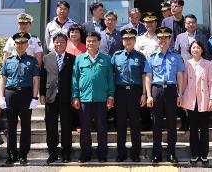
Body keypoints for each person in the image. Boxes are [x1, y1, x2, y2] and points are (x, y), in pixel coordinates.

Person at [72, 32, 115, 163]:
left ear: (99, 42)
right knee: (84, 129)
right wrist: (75, 96)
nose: (90, 43)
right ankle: (85, 153)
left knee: (102, 128)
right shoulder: (79, 59)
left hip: (101, 99)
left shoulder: (106, 59)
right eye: (88, 41)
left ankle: (102, 154)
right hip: (84, 99)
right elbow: (75, 78)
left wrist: (111, 96)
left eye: (93, 41)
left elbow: (110, 79)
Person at [144, 27, 185, 164]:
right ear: (157, 40)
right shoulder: (152, 57)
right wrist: (149, 95)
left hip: (171, 90)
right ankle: (156, 154)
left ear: (169, 39)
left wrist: (180, 94)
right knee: (156, 124)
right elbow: (148, 77)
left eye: (165, 38)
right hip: (157, 90)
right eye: (160, 38)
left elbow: (180, 76)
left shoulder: (176, 56)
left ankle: (171, 154)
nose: (163, 40)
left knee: (172, 124)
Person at [0, 32, 40, 165]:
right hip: (10, 94)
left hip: (26, 95)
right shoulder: (8, 61)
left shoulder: (32, 61)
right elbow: (3, 80)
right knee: (11, 126)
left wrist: (34, 97)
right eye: (18, 43)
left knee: (26, 126)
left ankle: (23, 154)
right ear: (14, 45)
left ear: (27, 45)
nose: (20, 45)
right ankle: (11, 154)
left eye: (23, 43)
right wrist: (1, 97)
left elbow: (35, 80)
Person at [111, 28, 147, 162]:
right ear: (122, 41)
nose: (128, 41)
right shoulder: (116, 55)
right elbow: (111, 75)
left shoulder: (140, 56)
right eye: (126, 39)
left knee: (135, 124)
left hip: (135, 92)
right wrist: (111, 94)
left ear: (135, 40)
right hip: (120, 92)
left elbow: (145, 76)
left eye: (131, 39)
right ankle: (121, 153)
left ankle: (135, 154)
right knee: (120, 124)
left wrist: (144, 94)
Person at [39, 32, 75, 163]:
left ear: (67, 44)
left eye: (62, 42)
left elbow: (74, 79)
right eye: (57, 42)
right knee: (51, 127)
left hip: (66, 97)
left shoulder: (72, 58)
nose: (59, 44)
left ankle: (66, 154)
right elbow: (43, 78)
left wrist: (74, 96)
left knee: (66, 126)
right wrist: (42, 94)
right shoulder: (46, 58)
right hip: (50, 97)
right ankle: (52, 153)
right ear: (53, 43)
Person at [181, 40, 212, 165]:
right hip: (191, 100)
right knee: (193, 129)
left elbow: (211, 82)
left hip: (204, 100)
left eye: (198, 48)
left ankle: (204, 155)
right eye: (193, 47)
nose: (195, 49)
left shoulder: (208, 64)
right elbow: (183, 83)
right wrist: (181, 96)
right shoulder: (186, 64)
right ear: (190, 50)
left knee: (204, 129)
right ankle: (195, 155)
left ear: (202, 50)